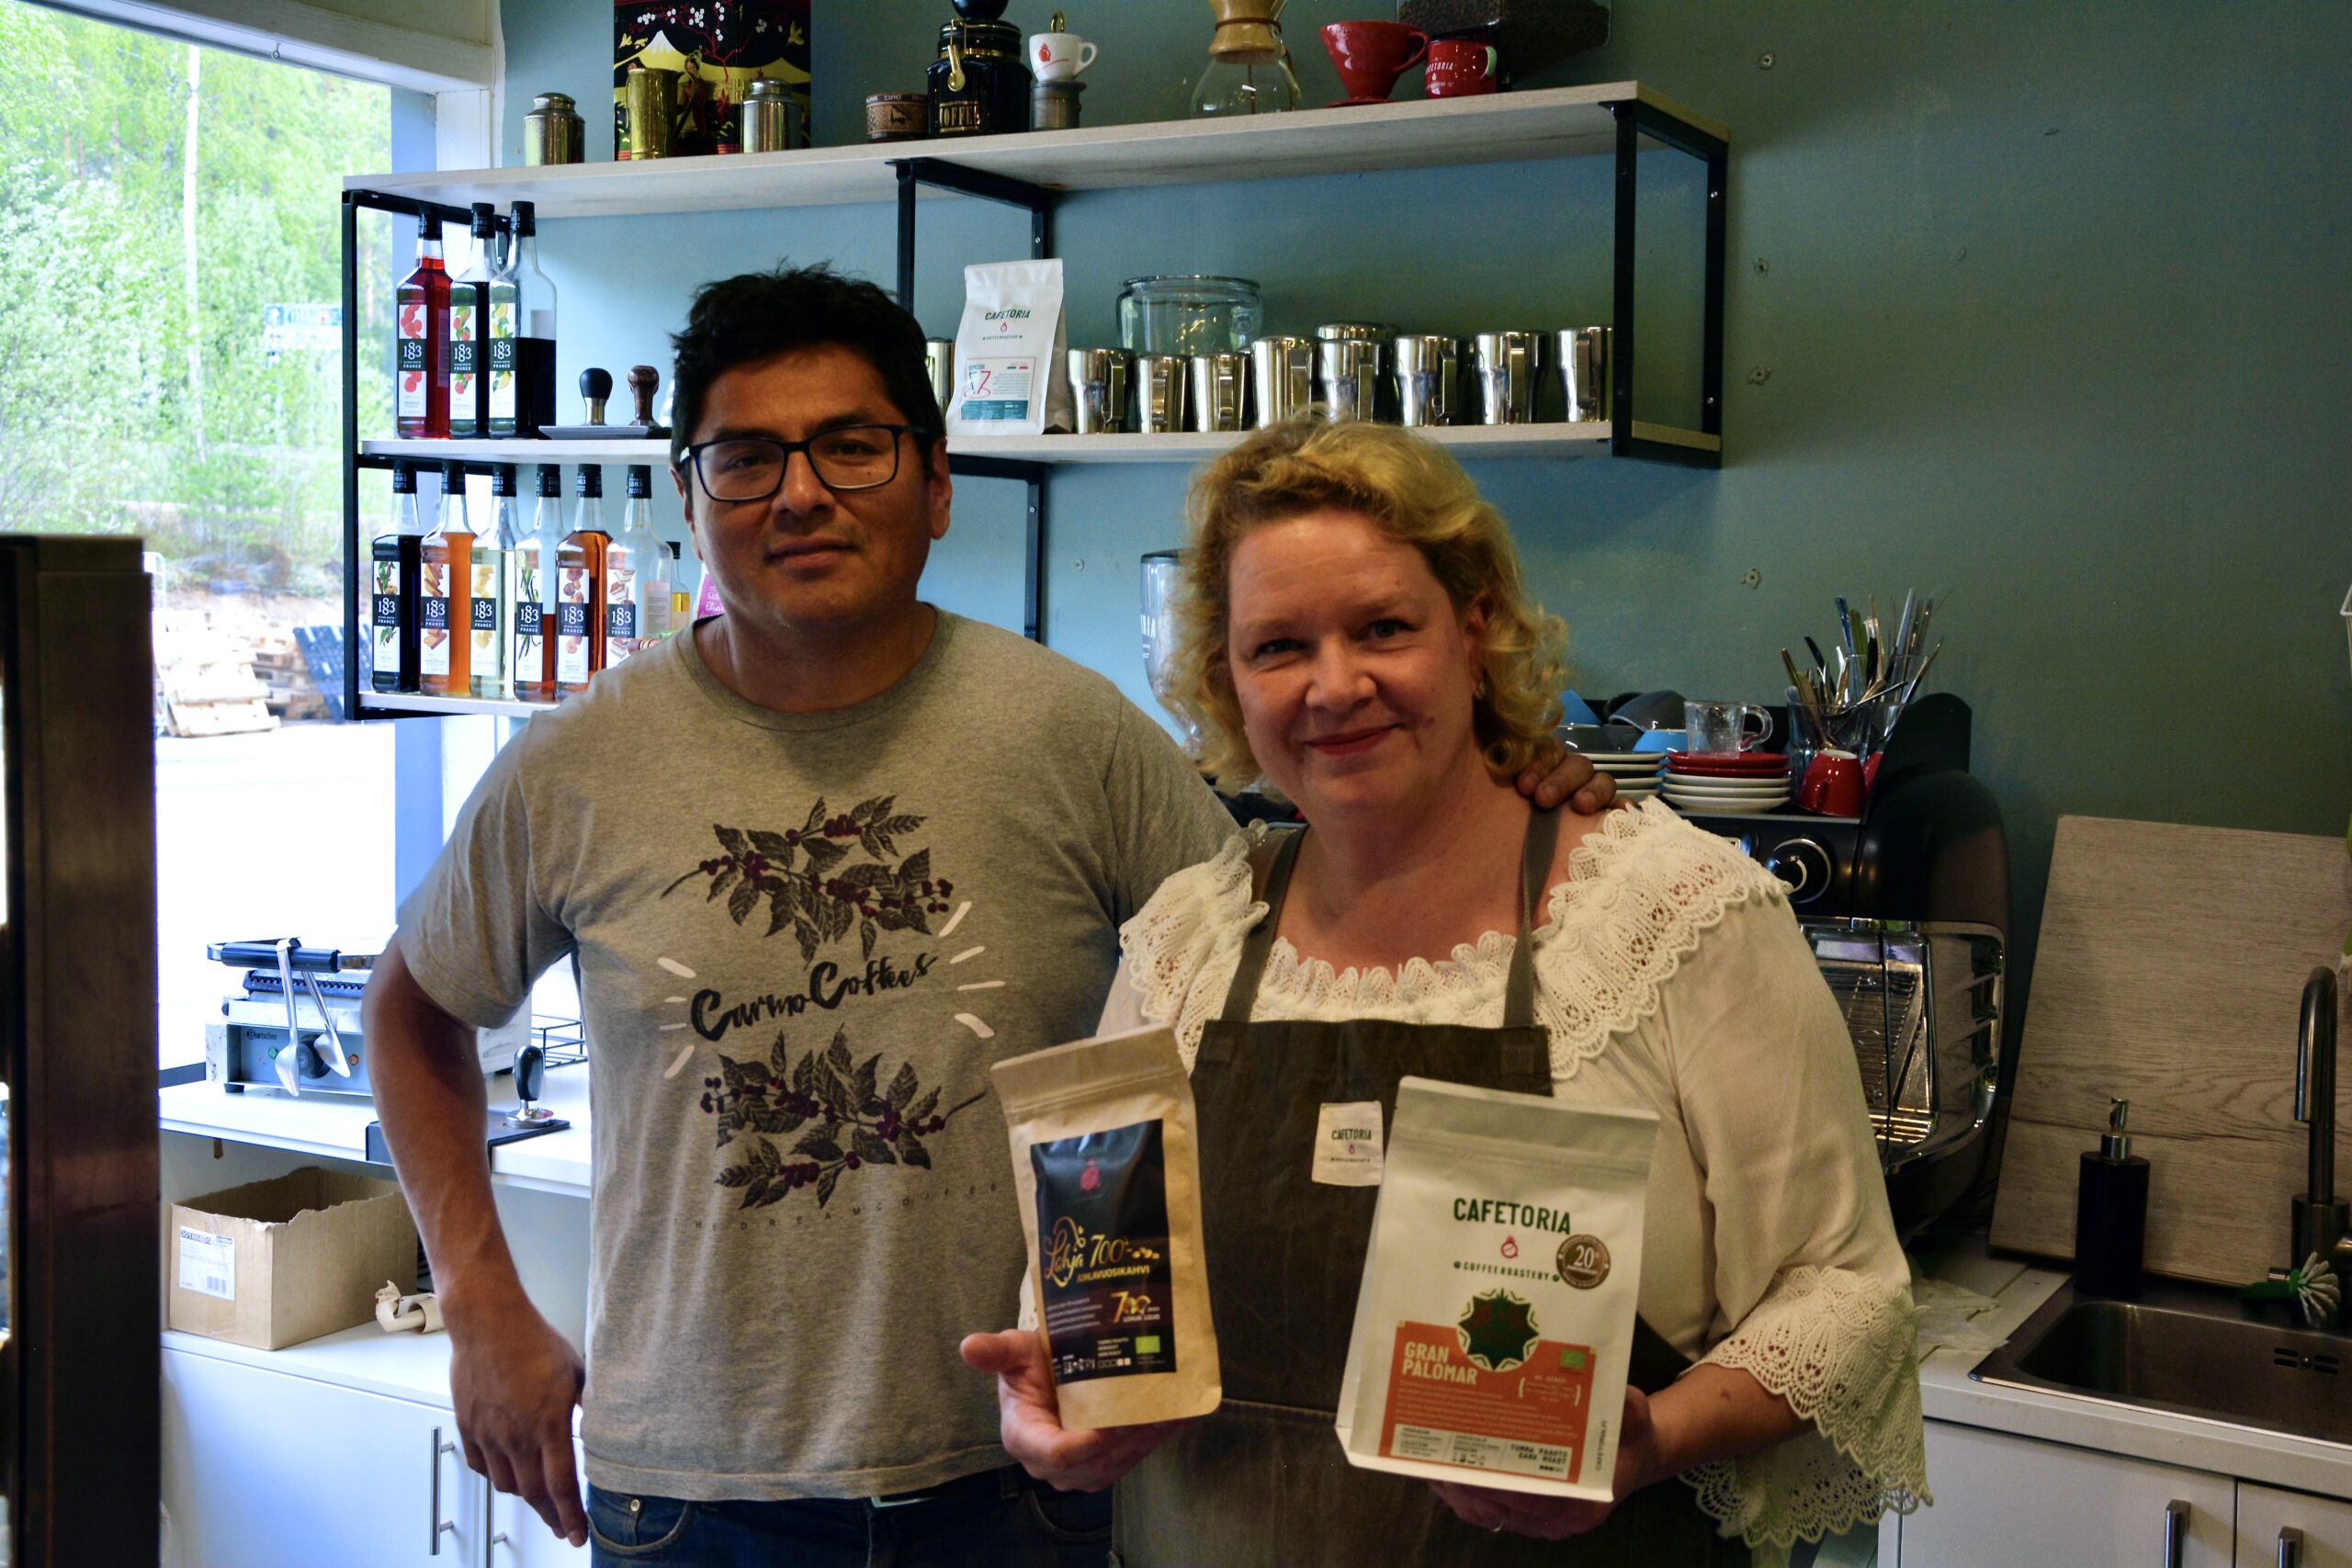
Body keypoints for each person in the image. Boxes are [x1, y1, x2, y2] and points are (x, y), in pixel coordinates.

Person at [362, 265, 1614, 1565]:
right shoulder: (576, 763)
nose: (799, 492)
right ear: (690, 497)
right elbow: (410, 1008)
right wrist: (478, 1298)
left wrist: (1507, 791)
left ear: (938, 482)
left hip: (1031, 1474)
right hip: (691, 1489)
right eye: (744, 458)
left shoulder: (1071, 735)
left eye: (852, 446)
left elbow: (1298, 941)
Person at [965, 417, 1929, 1568]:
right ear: (1227, 679)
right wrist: (1055, 1394)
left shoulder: (1672, 917)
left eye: (1383, 628)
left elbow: (1845, 1293)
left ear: (1473, 633)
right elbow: (1091, 1291)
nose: (1335, 686)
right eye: (1278, 646)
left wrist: (1657, 1438)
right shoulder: (1187, 941)